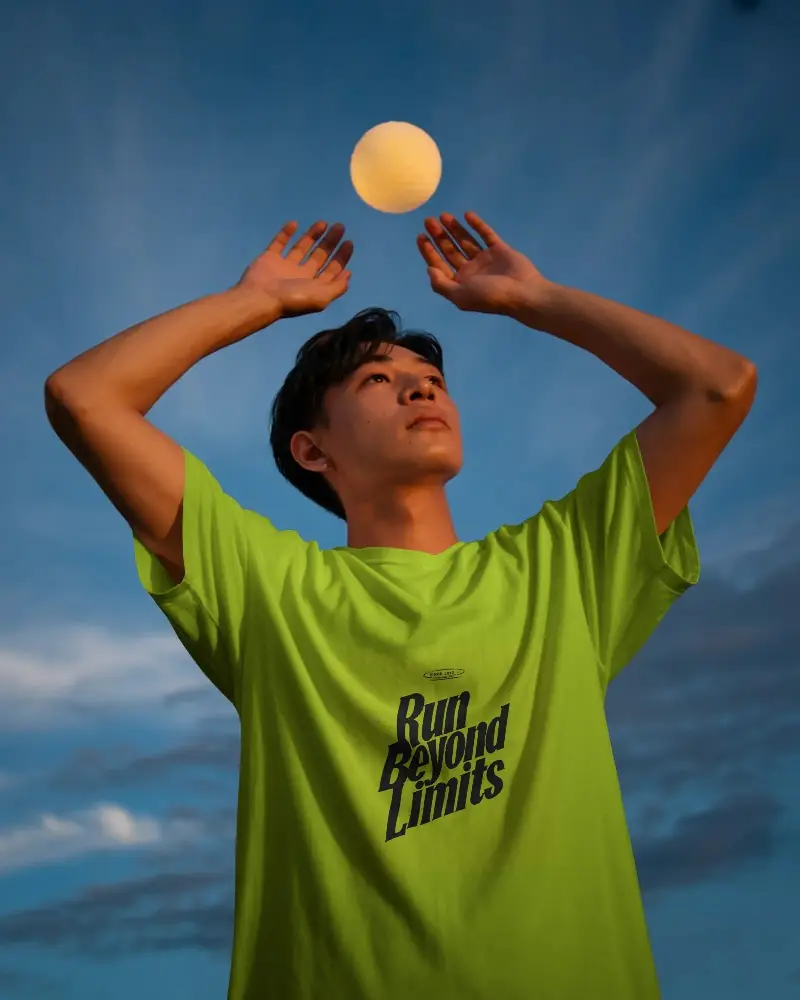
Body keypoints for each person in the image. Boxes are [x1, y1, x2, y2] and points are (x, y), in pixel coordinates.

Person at [44, 212, 757, 999]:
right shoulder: (267, 588)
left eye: (432, 379)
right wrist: (256, 302)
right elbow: (86, 398)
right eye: (377, 381)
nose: (420, 384)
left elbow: (717, 386)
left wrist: (537, 298)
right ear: (313, 451)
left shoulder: (562, 567)